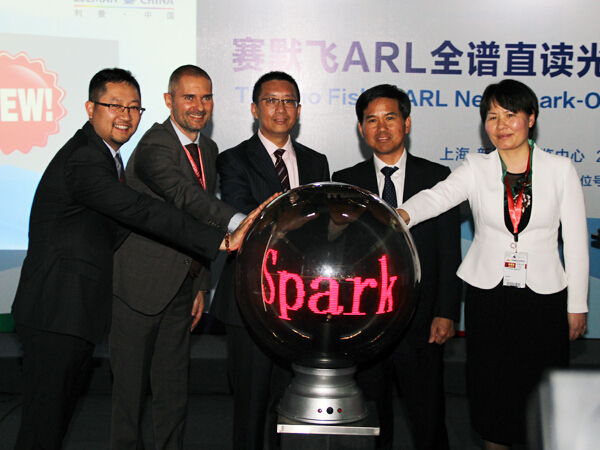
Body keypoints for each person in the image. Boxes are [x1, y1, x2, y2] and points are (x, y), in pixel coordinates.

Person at [10, 68, 265, 450]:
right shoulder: (86, 159)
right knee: (45, 425)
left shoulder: (106, 156)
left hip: (74, 310)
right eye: (115, 105)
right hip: (58, 310)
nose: (125, 116)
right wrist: (223, 238)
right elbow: (144, 209)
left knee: (54, 422)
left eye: (133, 107)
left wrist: (199, 279)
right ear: (90, 108)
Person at [398, 79, 588, 449]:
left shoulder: (559, 169)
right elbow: (437, 197)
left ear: (530, 118)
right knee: (492, 388)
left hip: (544, 298)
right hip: (489, 296)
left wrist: (577, 304)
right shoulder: (476, 167)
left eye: (510, 115)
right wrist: (400, 214)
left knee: (543, 389)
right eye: (492, 116)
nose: (501, 125)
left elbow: (577, 242)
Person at [109, 65, 243, 450]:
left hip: (183, 288)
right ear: (169, 100)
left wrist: (200, 283)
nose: (199, 106)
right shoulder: (154, 145)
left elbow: (196, 222)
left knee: (173, 395)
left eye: (206, 97)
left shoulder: (208, 149)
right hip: (139, 287)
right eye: (189, 97)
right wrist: (239, 221)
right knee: (129, 397)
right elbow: (187, 197)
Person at [332, 84, 462, 450]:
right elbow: (339, 255)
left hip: (423, 321)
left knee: (428, 419)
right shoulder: (346, 181)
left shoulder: (438, 177)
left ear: (407, 123)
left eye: (390, 118)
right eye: (371, 120)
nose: (382, 127)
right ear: (361, 129)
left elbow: (449, 251)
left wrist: (447, 311)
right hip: (364, 323)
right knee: (371, 421)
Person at [210, 71, 330, 450]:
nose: (281, 109)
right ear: (254, 109)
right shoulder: (233, 160)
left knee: (288, 406)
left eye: (288, 101)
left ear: (299, 109)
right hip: (250, 300)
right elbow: (247, 217)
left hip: (300, 303)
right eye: (271, 100)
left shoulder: (316, 162)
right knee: (250, 406)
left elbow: (322, 228)